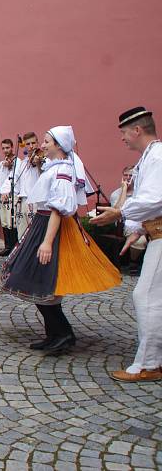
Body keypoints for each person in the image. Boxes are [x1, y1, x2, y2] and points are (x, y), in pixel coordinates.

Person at [0, 126, 120, 354]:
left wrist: (46, 241)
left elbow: (58, 208)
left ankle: (63, 334)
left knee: (46, 281)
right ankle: (54, 333)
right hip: (43, 225)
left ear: (58, 145)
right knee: (41, 282)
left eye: (46, 141)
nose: (41, 145)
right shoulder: (55, 167)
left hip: (52, 228)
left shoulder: (63, 170)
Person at [92, 107, 162, 382]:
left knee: (144, 296)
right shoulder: (150, 157)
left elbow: (154, 198)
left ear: (137, 130)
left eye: (123, 132)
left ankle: (149, 363)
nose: (122, 138)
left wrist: (120, 213)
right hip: (155, 233)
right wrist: (135, 229)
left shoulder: (156, 156)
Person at [0, 138, 23, 256]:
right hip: (3, 197)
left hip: (12, 196)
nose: (5, 150)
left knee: (13, 222)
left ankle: (14, 246)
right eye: (3, 148)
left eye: (8, 148)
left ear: (12, 148)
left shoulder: (18, 162)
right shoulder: (2, 164)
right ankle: (7, 246)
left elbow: (15, 178)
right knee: (5, 222)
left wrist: (10, 167)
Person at [109, 165, 146, 275]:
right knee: (140, 241)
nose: (128, 177)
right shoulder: (116, 194)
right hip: (125, 224)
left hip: (143, 222)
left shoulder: (141, 192)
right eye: (126, 175)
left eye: (132, 175)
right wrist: (124, 190)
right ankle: (133, 262)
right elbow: (117, 212)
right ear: (122, 176)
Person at [14, 132, 43, 238]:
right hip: (22, 201)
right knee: (21, 234)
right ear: (24, 146)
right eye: (28, 144)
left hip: (34, 201)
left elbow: (44, 177)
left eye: (33, 143)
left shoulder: (42, 159)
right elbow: (18, 181)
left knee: (34, 233)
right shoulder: (22, 163)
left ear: (37, 143)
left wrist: (39, 164)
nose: (31, 146)